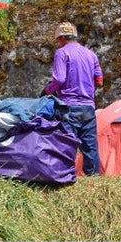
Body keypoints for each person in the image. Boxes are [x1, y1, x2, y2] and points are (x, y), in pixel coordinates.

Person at [45, 21, 103, 176]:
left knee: (67, 145)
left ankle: (67, 177)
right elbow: (99, 81)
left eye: (58, 40)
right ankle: (95, 179)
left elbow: (59, 79)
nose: (59, 43)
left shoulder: (62, 53)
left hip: (69, 106)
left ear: (62, 37)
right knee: (90, 147)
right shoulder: (91, 54)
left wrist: (48, 91)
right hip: (88, 107)